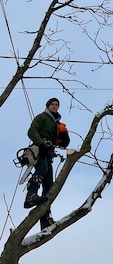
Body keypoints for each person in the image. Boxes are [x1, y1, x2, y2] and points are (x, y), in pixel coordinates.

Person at [24, 98, 70, 229]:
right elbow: (31, 131)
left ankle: (45, 217)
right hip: (39, 150)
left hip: (49, 153)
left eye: (57, 105)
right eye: (52, 104)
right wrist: (41, 142)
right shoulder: (42, 117)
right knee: (42, 169)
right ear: (48, 106)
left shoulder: (57, 124)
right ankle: (30, 195)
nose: (55, 106)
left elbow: (62, 143)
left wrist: (64, 137)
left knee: (49, 185)